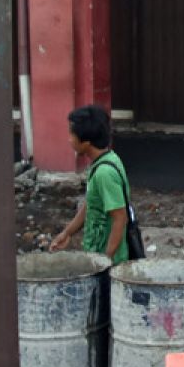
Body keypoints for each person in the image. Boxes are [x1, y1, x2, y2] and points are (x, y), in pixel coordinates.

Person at [50, 105, 131, 263]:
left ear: (86, 142)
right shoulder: (106, 160)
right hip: (96, 256)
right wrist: (67, 233)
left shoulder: (104, 173)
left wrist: (106, 260)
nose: (69, 140)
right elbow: (91, 204)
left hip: (108, 262)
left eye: (71, 135)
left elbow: (120, 218)